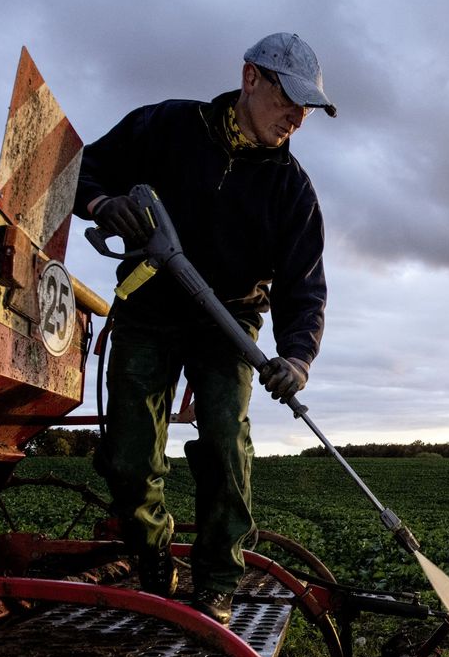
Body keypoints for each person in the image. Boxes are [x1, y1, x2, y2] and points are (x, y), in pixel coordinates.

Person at [73, 32, 336, 625]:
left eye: (307, 109)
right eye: (288, 99)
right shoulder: (165, 127)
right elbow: (84, 169)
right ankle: (153, 560)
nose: (296, 116)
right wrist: (100, 205)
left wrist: (297, 357)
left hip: (229, 323)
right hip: (149, 308)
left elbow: (304, 287)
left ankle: (217, 579)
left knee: (223, 441)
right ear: (250, 78)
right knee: (129, 454)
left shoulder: (291, 189)